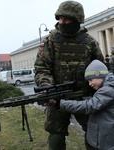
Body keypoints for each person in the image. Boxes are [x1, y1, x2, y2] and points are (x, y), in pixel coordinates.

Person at [34, 1, 104, 150]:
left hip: (84, 97)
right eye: (59, 19)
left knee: (92, 131)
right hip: (57, 96)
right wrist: (47, 87)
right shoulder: (51, 40)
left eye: (66, 19)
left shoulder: (89, 42)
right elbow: (42, 67)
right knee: (56, 134)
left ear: (77, 19)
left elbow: (100, 69)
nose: (61, 22)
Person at [50, 60, 114, 149]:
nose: (90, 84)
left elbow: (89, 106)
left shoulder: (108, 89)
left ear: (99, 74)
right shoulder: (107, 87)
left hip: (107, 141)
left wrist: (60, 103)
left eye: (91, 80)